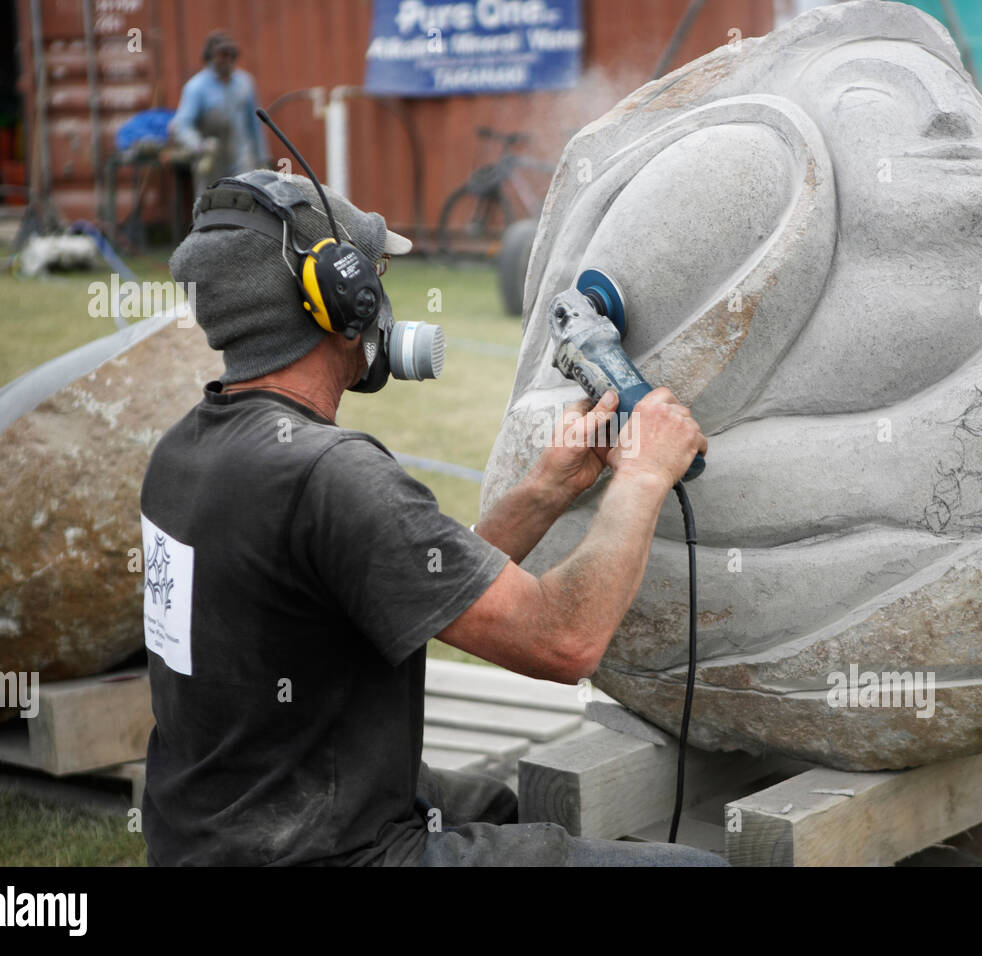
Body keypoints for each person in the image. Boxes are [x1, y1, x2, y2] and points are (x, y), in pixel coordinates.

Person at [140, 172, 720, 867]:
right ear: (340, 297)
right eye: (376, 272)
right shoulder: (331, 475)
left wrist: (547, 488)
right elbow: (565, 640)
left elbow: (406, 580)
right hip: (332, 851)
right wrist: (647, 473)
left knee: (504, 808)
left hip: (217, 833)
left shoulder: (184, 453)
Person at [169, 31, 269, 194]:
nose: (228, 59)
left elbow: (254, 124)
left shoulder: (245, 83)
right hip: (210, 160)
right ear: (210, 56)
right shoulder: (197, 87)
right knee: (210, 205)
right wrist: (200, 146)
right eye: (223, 54)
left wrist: (262, 158)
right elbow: (182, 126)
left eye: (232, 54)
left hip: (241, 159)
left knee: (245, 204)